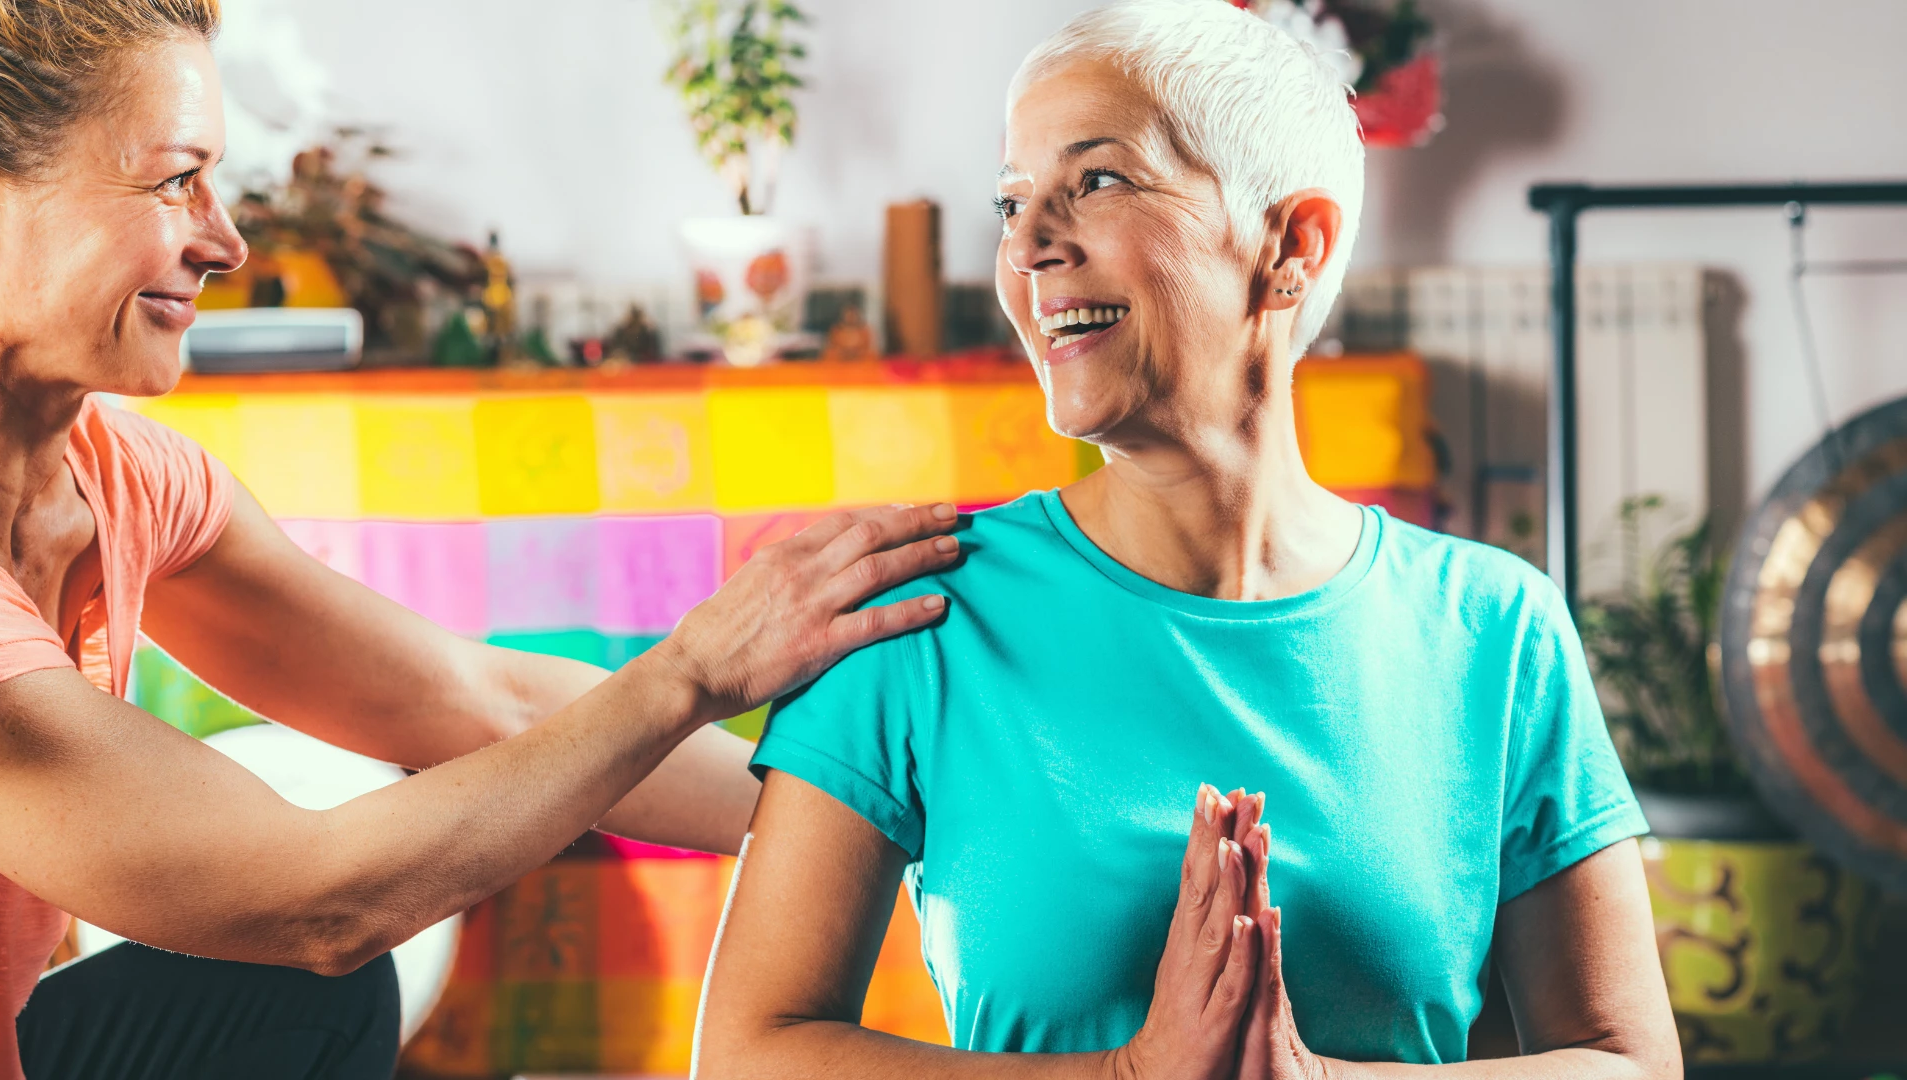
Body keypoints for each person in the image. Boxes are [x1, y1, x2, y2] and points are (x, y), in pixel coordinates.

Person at [694, 3, 1683, 1078]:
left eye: (1099, 180)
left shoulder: (1497, 628)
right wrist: (1126, 1077)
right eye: (1013, 200)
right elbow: (751, 1053)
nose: (1026, 247)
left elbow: (1625, 1061)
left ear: (1291, 245)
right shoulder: (916, 614)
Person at [0, 3, 961, 1078]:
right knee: (319, 952)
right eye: (175, 181)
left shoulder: (128, 483)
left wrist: (894, 818)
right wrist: (687, 670)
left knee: (305, 1006)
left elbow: (478, 704)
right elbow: (314, 899)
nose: (225, 243)